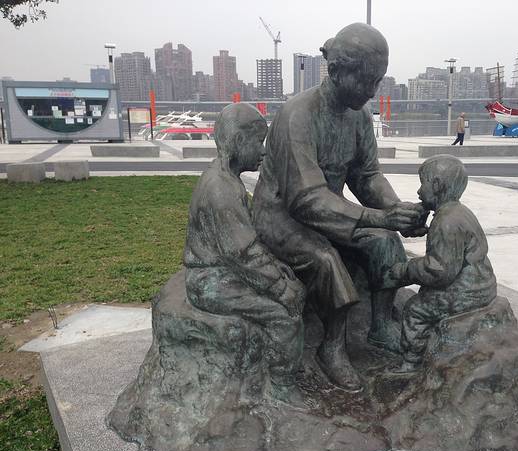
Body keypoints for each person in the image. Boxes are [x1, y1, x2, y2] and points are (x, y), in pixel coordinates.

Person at [252, 23, 426, 392]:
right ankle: (331, 348)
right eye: (365, 81)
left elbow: (367, 176)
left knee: (385, 241)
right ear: (335, 71)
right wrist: (380, 216)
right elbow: (305, 198)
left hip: (328, 211)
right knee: (326, 260)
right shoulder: (297, 115)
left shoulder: (359, 116)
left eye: (377, 81)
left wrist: (396, 211)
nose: (372, 91)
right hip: (282, 215)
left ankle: (381, 327)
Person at [183, 103, 306, 404]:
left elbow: (246, 243)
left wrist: (276, 266)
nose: (263, 151)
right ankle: (281, 387)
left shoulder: (227, 179)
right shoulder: (220, 189)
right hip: (210, 280)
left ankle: (283, 365)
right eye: (258, 142)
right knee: (284, 315)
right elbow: (243, 253)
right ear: (239, 141)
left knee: (296, 287)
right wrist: (280, 288)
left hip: (225, 270)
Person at [384, 155, 497, 372]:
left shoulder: (446, 222)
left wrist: (406, 269)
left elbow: (439, 271)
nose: (418, 191)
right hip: (483, 285)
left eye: (422, 184)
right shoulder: (460, 212)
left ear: (436, 185)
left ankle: (411, 362)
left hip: (465, 293)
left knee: (415, 309)